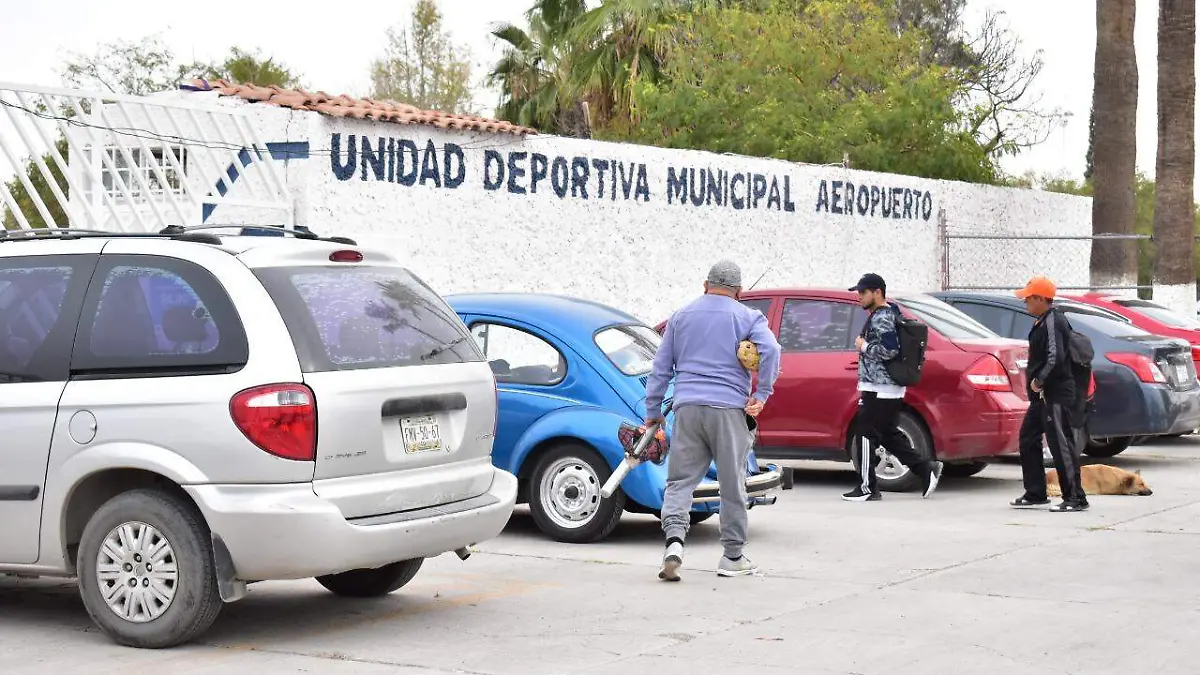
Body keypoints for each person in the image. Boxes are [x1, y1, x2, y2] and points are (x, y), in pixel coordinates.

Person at [644, 260, 782, 581]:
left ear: (705, 285)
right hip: (729, 410)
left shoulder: (680, 316)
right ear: (740, 291)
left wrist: (653, 413)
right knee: (732, 483)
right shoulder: (748, 316)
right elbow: (772, 350)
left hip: (687, 408)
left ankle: (674, 542)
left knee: (679, 482)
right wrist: (761, 394)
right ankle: (732, 556)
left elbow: (660, 369)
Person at [842, 273, 943, 502]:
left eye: (863, 292)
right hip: (885, 387)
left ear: (877, 292)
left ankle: (868, 488)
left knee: (865, 434)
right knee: (888, 434)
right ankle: (925, 469)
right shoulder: (887, 312)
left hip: (880, 387)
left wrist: (864, 346)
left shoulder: (882, 317)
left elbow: (890, 350)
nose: (859, 297)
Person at [1010, 276, 1089, 512]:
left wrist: (1040, 380)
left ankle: (1075, 497)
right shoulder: (1042, 321)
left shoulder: (1054, 320)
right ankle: (1035, 492)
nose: (1025, 303)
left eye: (1028, 298)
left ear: (1040, 298)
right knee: (1027, 438)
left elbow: (1056, 357)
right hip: (1041, 396)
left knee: (1060, 444)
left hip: (1055, 393)